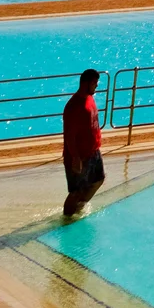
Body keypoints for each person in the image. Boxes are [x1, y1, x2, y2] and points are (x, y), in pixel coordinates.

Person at [62, 69, 105, 218]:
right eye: (94, 83)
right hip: (78, 156)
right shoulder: (74, 106)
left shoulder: (90, 98)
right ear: (85, 83)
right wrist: (75, 157)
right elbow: (69, 135)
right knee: (75, 191)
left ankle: (79, 207)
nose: (96, 86)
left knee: (99, 180)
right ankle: (66, 219)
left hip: (93, 151)